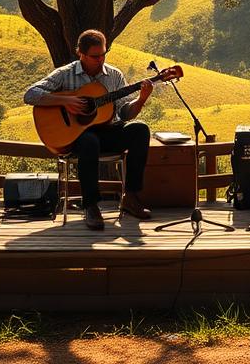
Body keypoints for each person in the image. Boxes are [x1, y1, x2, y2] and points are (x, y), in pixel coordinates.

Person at [24, 29, 154, 230]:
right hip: (77, 138)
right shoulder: (65, 74)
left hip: (108, 132)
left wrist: (141, 100)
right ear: (81, 53)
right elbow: (30, 94)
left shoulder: (114, 75)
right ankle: (91, 205)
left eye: (103, 54)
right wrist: (64, 101)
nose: (100, 60)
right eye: (95, 56)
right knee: (89, 141)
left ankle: (130, 197)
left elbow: (125, 113)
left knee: (140, 129)